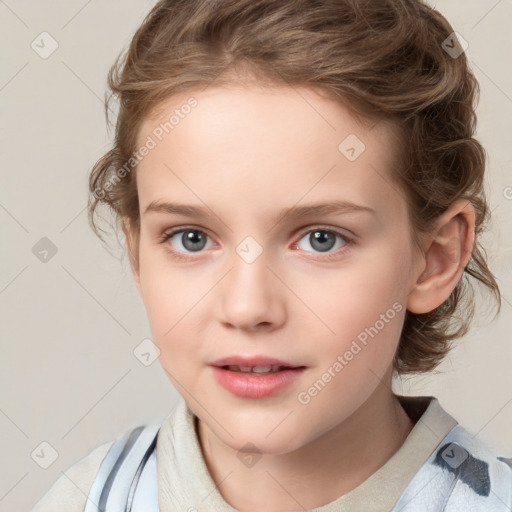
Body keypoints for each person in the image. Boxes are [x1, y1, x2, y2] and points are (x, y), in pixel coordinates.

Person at [32, 0, 512, 510]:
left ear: (434, 260)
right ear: (138, 254)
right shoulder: (85, 500)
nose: (247, 307)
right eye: (191, 238)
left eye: (320, 239)